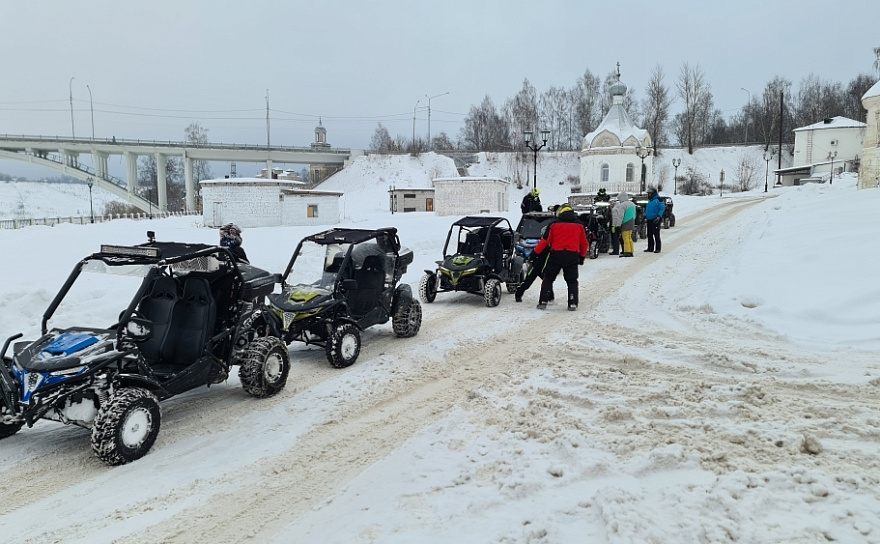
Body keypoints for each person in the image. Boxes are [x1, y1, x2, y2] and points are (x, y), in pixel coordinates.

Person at [534, 205, 588, 311]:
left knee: (548, 278)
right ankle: (572, 302)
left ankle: (543, 301)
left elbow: (545, 240)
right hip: (572, 255)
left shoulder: (553, 224)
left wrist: (536, 252)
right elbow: (584, 243)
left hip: (556, 255)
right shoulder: (580, 225)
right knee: (572, 280)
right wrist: (582, 257)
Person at [611, 191, 636, 257]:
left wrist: (618, 225)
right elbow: (634, 215)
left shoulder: (623, 205)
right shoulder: (632, 204)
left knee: (625, 238)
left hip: (625, 223)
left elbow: (620, 216)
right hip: (631, 222)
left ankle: (627, 252)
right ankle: (631, 251)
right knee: (630, 238)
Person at [643, 186, 666, 253]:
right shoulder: (650, 201)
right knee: (649, 234)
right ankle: (650, 247)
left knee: (656, 234)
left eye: (649, 193)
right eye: (648, 193)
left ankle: (658, 248)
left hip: (656, 219)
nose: (648, 195)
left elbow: (662, 208)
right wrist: (645, 215)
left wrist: (659, 216)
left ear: (653, 193)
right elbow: (648, 209)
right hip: (649, 219)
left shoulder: (658, 200)